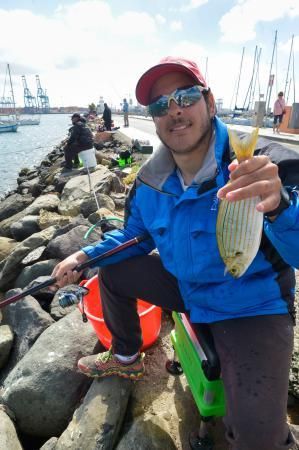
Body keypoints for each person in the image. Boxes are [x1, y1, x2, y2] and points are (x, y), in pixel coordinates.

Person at [52, 56, 299, 450]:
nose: (175, 110)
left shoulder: (264, 165)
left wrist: (281, 205)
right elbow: (134, 236)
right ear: (152, 117)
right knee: (113, 272)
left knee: (258, 437)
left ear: (210, 102)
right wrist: (82, 258)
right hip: (186, 286)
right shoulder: (150, 179)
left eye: (185, 95)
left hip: (252, 305)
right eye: (160, 104)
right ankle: (127, 356)